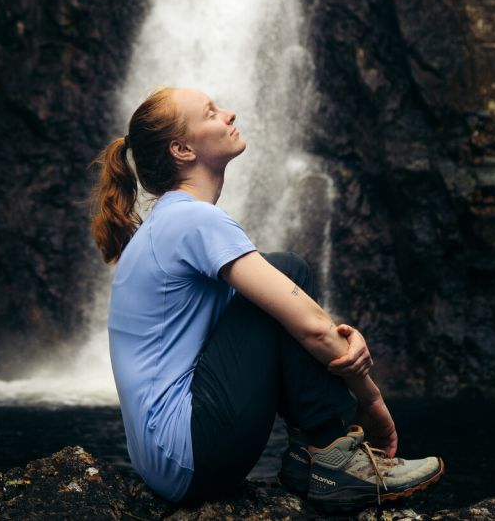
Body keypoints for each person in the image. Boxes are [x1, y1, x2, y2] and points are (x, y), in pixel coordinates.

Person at [89, 86, 444, 510]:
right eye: (211, 112)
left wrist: (335, 334)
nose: (230, 114)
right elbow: (308, 324)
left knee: (277, 279)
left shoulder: (165, 222)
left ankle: (308, 459)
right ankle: (330, 453)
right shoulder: (195, 220)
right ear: (182, 148)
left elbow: (296, 326)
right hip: (192, 454)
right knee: (287, 269)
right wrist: (370, 399)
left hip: (165, 463)